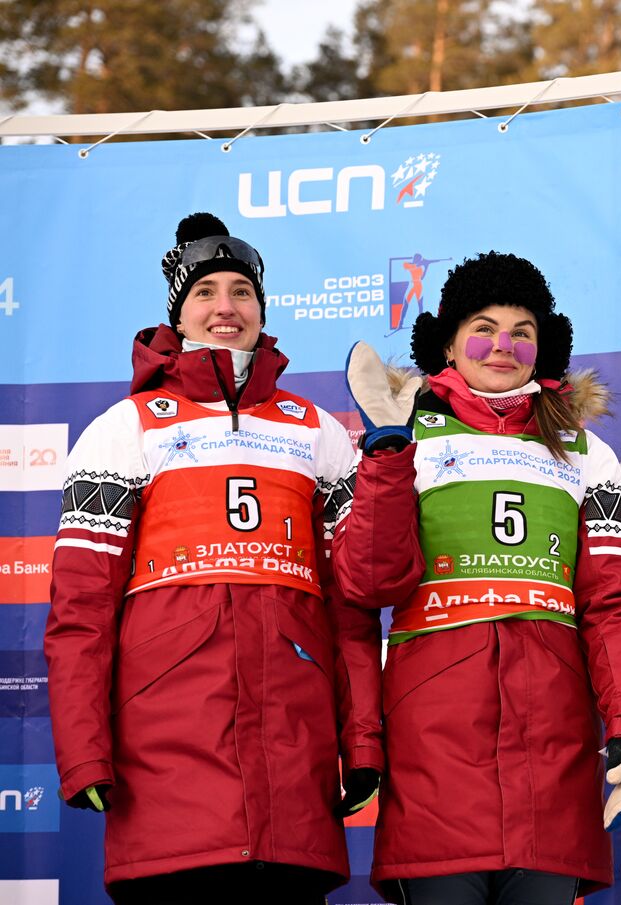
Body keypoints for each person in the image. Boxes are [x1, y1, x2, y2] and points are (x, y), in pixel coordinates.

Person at [45, 213, 384, 905]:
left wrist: (365, 745)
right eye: (205, 292)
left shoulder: (316, 430)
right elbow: (80, 610)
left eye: (241, 291)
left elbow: (354, 607)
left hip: (294, 778)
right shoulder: (126, 427)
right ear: (178, 312)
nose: (225, 307)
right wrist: (83, 749)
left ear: (263, 308)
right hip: (164, 778)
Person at [335, 251, 621, 905]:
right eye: (483, 327)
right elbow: (369, 582)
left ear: (545, 346)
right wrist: (389, 454)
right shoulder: (401, 433)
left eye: (523, 331)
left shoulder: (584, 450)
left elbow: (613, 605)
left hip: (555, 766)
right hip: (435, 759)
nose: (502, 345)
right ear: (448, 342)